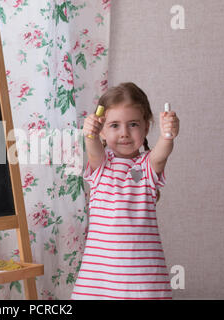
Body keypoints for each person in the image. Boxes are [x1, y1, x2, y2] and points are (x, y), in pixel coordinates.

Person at [72, 82, 180, 300]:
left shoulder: (146, 167)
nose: (124, 133)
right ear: (101, 129)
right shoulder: (101, 166)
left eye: (132, 124)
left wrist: (168, 135)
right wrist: (89, 136)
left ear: (146, 127)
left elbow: (161, 154)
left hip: (142, 274)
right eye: (114, 125)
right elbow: (93, 151)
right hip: (100, 275)